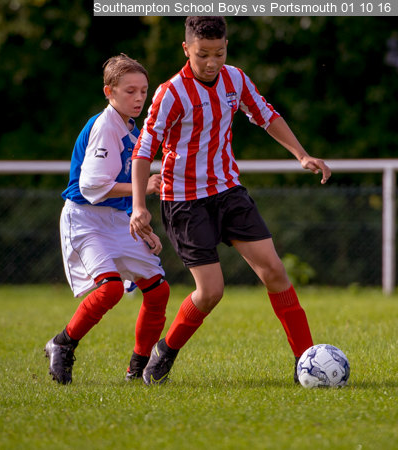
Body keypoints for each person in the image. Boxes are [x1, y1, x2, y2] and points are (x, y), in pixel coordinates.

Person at [130, 16, 331, 385]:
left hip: (228, 192)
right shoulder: (171, 93)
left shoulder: (235, 79)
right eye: (203, 54)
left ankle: (307, 362)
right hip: (185, 202)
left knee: (274, 271)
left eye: (219, 53)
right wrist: (139, 206)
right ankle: (165, 351)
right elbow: (144, 150)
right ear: (186, 49)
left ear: (227, 48)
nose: (212, 62)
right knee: (211, 292)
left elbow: (266, 115)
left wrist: (301, 155)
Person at [44, 54, 170, 384]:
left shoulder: (131, 128)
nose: (139, 98)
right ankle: (63, 344)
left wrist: (137, 221)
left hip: (115, 218)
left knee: (158, 291)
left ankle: (138, 368)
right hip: (85, 220)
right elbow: (91, 186)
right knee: (111, 289)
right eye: (130, 91)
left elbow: (118, 189)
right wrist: (144, 187)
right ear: (109, 92)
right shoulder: (105, 126)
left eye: (143, 91)